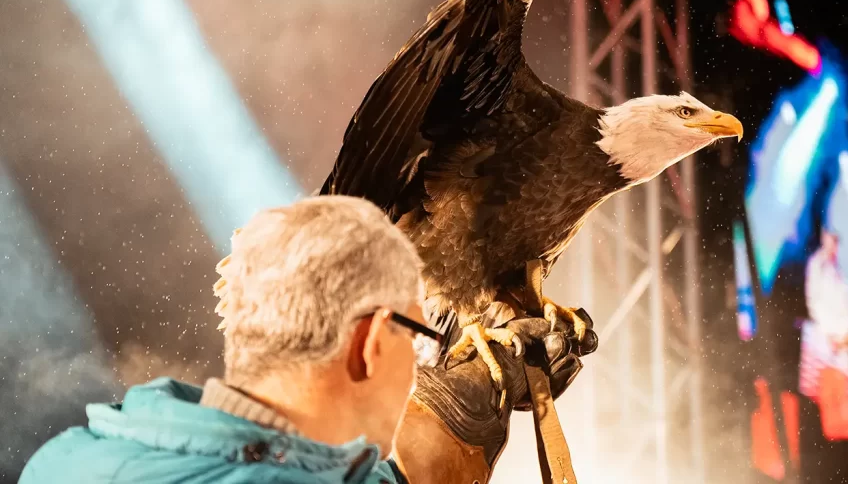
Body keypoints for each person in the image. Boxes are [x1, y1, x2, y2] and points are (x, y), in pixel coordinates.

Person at [19, 195, 596, 483]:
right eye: (421, 330)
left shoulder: (65, 462)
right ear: (371, 342)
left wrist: (460, 413)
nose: (431, 357)